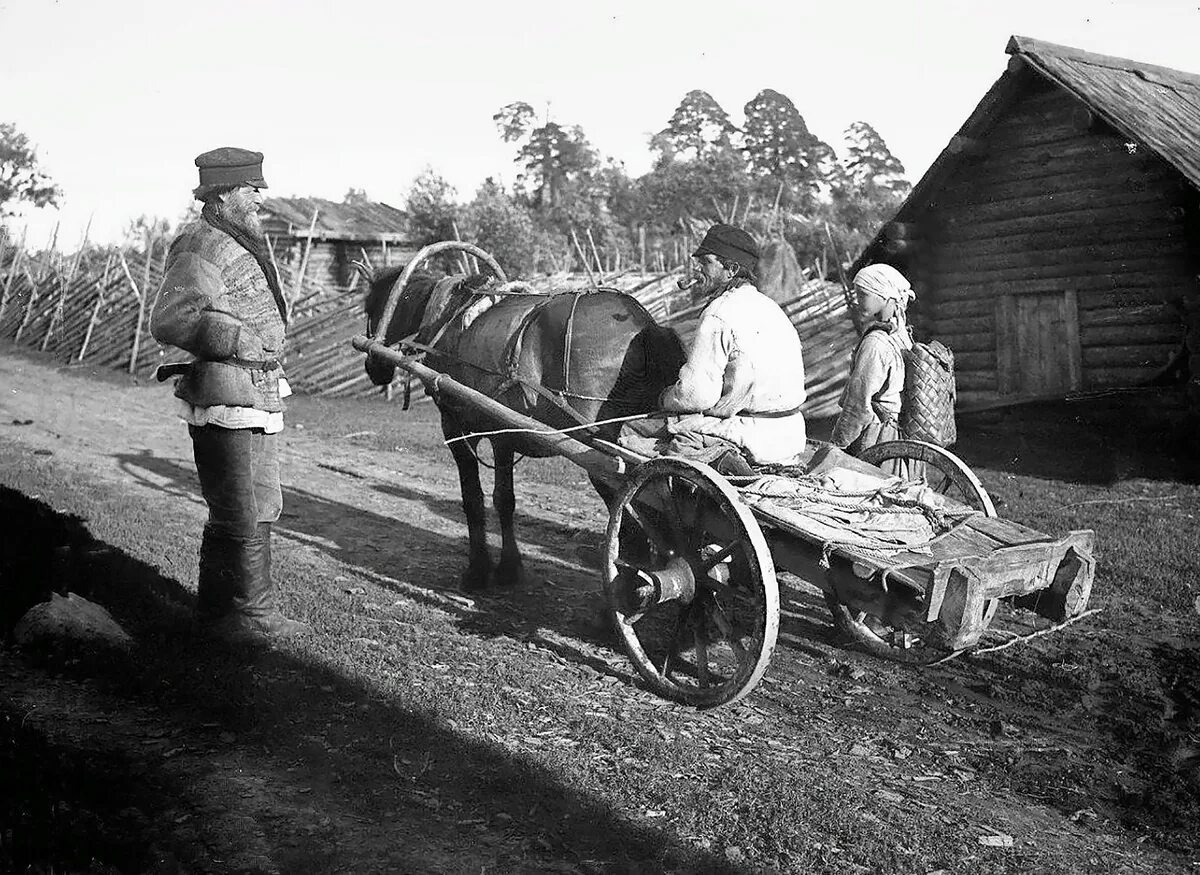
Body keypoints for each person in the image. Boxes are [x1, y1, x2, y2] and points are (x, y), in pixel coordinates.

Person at [150, 147, 307, 642]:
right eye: (251, 188)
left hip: (257, 390)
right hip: (225, 393)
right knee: (237, 505)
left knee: (261, 502)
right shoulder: (199, 243)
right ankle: (229, 615)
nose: (260, 196)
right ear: (223, 194)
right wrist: (237, 338)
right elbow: (170, 319)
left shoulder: (236, 237)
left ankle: (244, 611)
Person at [620, 223, 808, 471]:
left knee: (630, 430)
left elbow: (696, 395)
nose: (698, 269)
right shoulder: (771, 308)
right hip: (791, 435)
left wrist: (664, 397)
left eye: (706, 262)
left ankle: (666, 502)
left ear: (730, 269)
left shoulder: (719, 314)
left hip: (749, 435)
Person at [830, 263, 915, 456]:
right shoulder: (902, 336)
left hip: (877, 438)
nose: (857, 301)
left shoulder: (876, 343)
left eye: (862, 294)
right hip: (900, 435)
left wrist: (837, 445)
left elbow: (858, 404)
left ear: (884, 296)